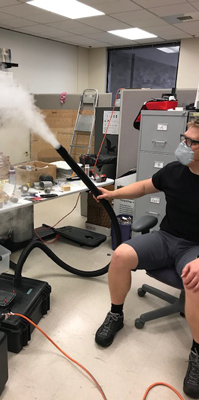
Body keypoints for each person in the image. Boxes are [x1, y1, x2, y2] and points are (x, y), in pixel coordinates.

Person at [94, 117, 199, 399]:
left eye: (192, 142)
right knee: (120, 255)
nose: (183, 145)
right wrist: (112, 194)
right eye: (183, 138)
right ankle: (115, 315)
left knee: (194, 281)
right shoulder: (176, 170)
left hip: (195, 248)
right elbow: (143, 187)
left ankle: (198, 353)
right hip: (167, 238)